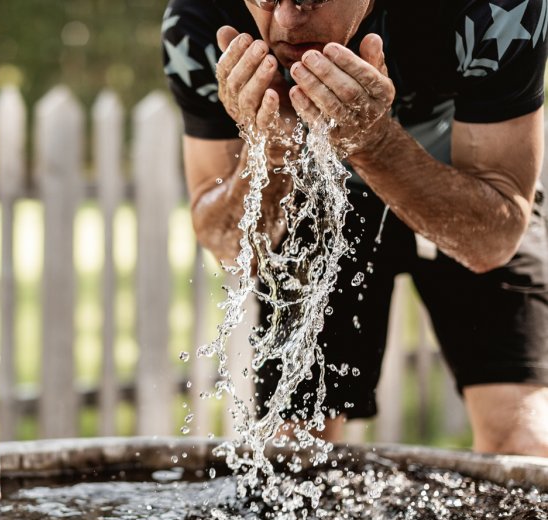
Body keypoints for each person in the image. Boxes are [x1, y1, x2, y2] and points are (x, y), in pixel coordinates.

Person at [162, 0, 548, 456]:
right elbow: (233, 248)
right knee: (293, 454)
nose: (287, 21)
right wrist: (270, 148)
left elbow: (493, 239)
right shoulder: (202, 19)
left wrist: (371, 141)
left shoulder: (493, 8)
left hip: (459, 181)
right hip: (314, 193)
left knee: (522, 440)